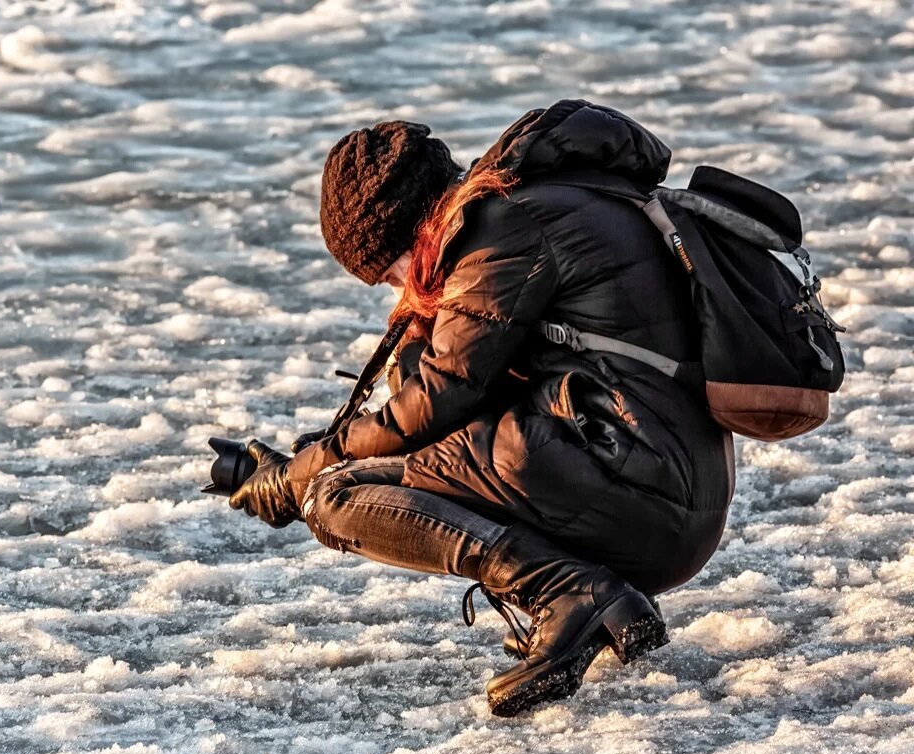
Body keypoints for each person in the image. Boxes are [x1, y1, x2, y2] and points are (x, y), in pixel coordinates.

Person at [228, 99, 735, 717]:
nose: (396, 289)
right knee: (351, 471)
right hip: (657, 480)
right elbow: (447, 402)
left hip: (646, 486)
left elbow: (443, 397)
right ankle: (595, 599)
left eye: (387, 273)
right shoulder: (527, 208)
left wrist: (304, 475)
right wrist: (311, 457)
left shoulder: (506, 228)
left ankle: (571, 594)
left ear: (409, 227)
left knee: (334, 499)